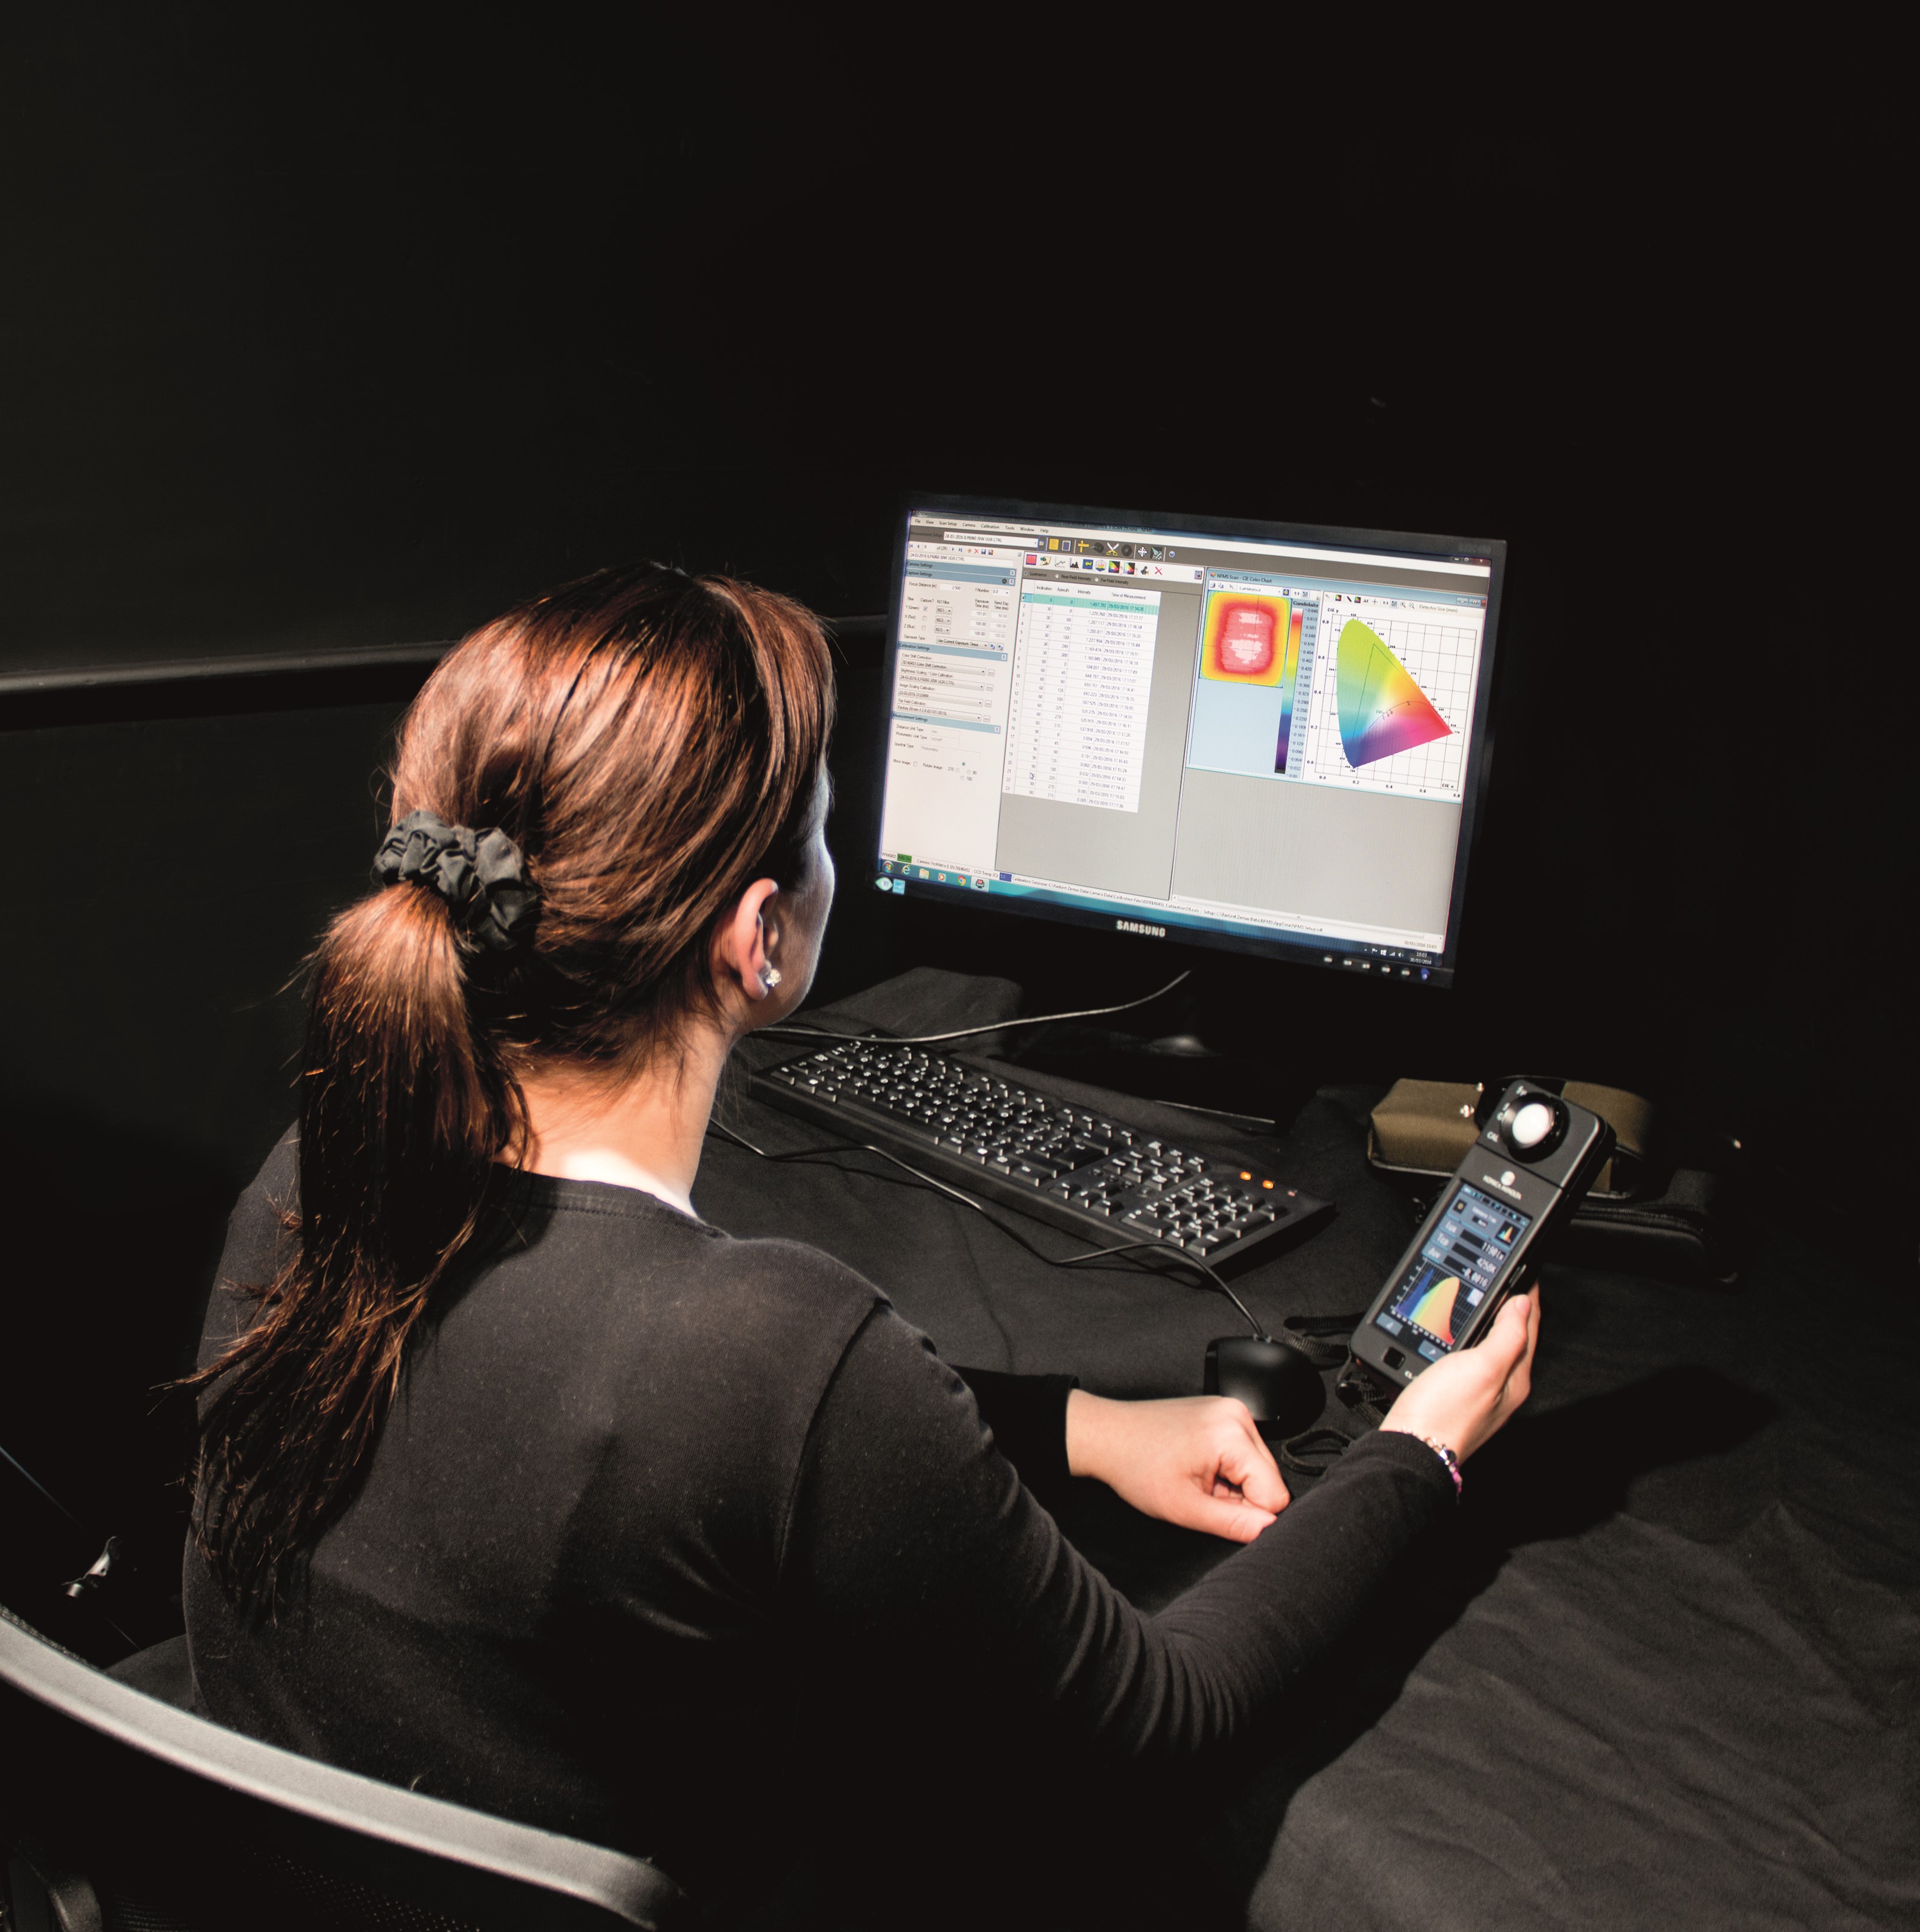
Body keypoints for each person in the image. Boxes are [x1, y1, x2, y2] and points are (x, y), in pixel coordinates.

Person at [182, 562, 1539, 1907]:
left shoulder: (311, 1182)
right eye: (825, 830)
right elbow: (1153, 1733)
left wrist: (1082, 1427)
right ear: (759, 936)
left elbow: (761, 1457)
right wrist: (1415, 1451)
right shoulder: (752, 1350)